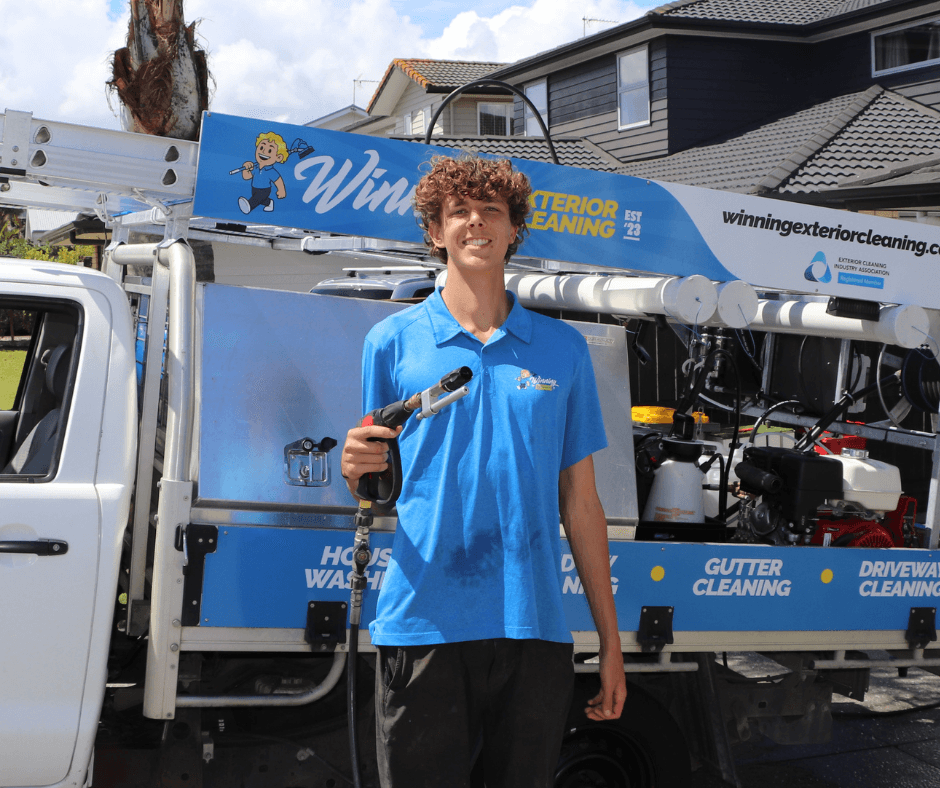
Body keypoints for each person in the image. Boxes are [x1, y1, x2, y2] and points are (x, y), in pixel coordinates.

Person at [341, 155, 626, 788]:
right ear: (436, 232)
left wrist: (609, 640)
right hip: (424, 622)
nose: (476, 223)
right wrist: (353, 465)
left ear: (513, 230)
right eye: (459, 212)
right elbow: (373, 479)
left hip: (534, 629)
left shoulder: (563, 349)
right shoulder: (392, 342)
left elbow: (582, 503)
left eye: (491, 211)